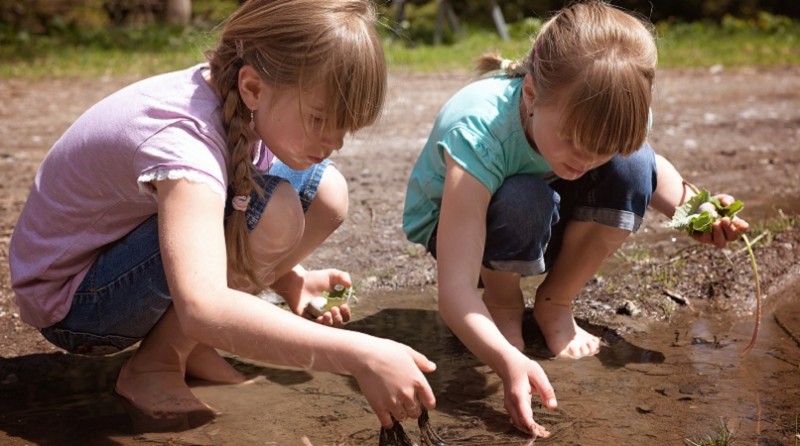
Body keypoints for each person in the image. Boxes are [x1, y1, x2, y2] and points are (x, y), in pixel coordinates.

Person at [9, 0, 436, 432]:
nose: (335, 141)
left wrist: (293, 280)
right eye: (320, 118)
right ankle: (155, 366)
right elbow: (202, 304)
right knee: (275, 210)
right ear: (253, 88)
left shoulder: (240, 101)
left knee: (326, 191)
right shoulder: (185, 142)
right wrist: (359, 353)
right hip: (77, 304)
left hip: (116, 266)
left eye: (345, 126)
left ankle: (183, 345)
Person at [402, 0, 749, 437]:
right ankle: (503, 304)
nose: (585, 159)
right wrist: (506, 360)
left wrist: (696, 212)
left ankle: (556, 302)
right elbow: (453, 291)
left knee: (634, 164)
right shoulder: (480, 129)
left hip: (542, 205)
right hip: (458, 226)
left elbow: (653, 173)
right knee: (524, 197)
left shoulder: (612, 116)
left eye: (600, 147)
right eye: (573, 141)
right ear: (531, 95)